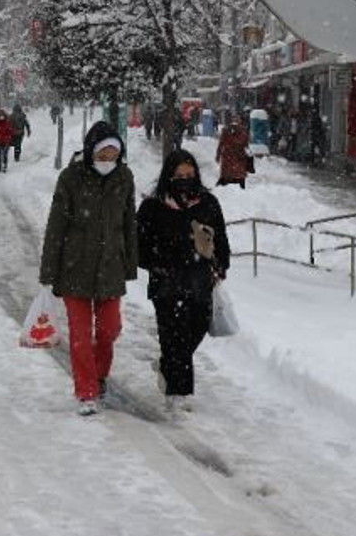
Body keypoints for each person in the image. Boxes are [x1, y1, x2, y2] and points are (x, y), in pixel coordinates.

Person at [39, 121, 138, 416]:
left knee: (109, 330)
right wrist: (48, 272)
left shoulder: (124, 177)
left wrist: (129, 264)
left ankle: (100, 374)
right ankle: (86, 391)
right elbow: (56, 225)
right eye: (102, 156)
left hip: (110, 267)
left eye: (112, 157)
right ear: (91, 151)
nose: (107, 162)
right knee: (80, 335)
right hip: (75, 268)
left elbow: (128, 223)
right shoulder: (71, 178)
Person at [136, 149, 231, 413]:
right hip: (166, 285)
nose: (184, 179)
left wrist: (220, 265)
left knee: (195, 329)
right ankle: (177, 395)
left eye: (189, 175)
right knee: (173, 336)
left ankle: (169, 366)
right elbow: (138, 247)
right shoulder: (152, 207)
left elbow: (221, 239)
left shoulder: (207, 203)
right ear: (168, 176)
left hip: (200, 283)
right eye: (178, 175)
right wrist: (159, 263)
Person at [216, 118, 251, 189]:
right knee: (239, 175)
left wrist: (218, 155)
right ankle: (241, 188)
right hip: (238, 157)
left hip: (228, 156)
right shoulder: (243, 133)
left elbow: (221, 144)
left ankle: (221, 187)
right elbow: (246, 146)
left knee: (226, 174)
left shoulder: (225, 132)